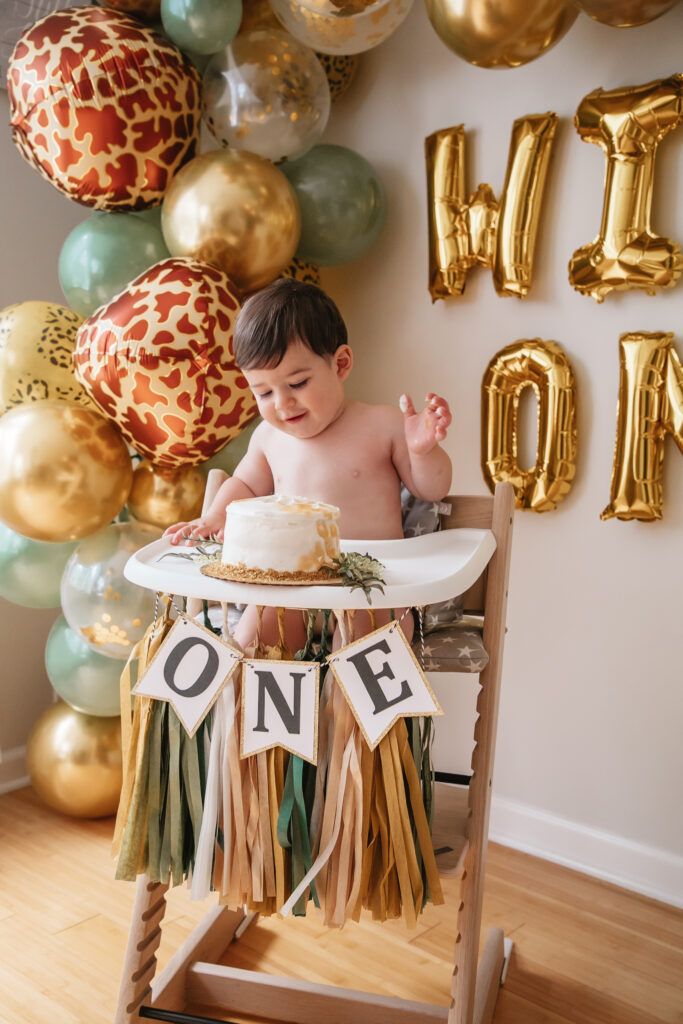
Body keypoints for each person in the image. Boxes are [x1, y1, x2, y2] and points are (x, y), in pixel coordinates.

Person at [164, 278, 452, 653]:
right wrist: (214, 518)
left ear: (341, 364)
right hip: (289, 581)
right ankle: (257, 708)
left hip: (369, 583)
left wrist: (423, 451)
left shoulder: (381, 425)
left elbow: (432, 489)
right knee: (251, 642)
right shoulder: (268, 437)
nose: (282, 404)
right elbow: (245, 487)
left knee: (371, 645)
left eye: (297, 383)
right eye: (264, 392)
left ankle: (347, 710)